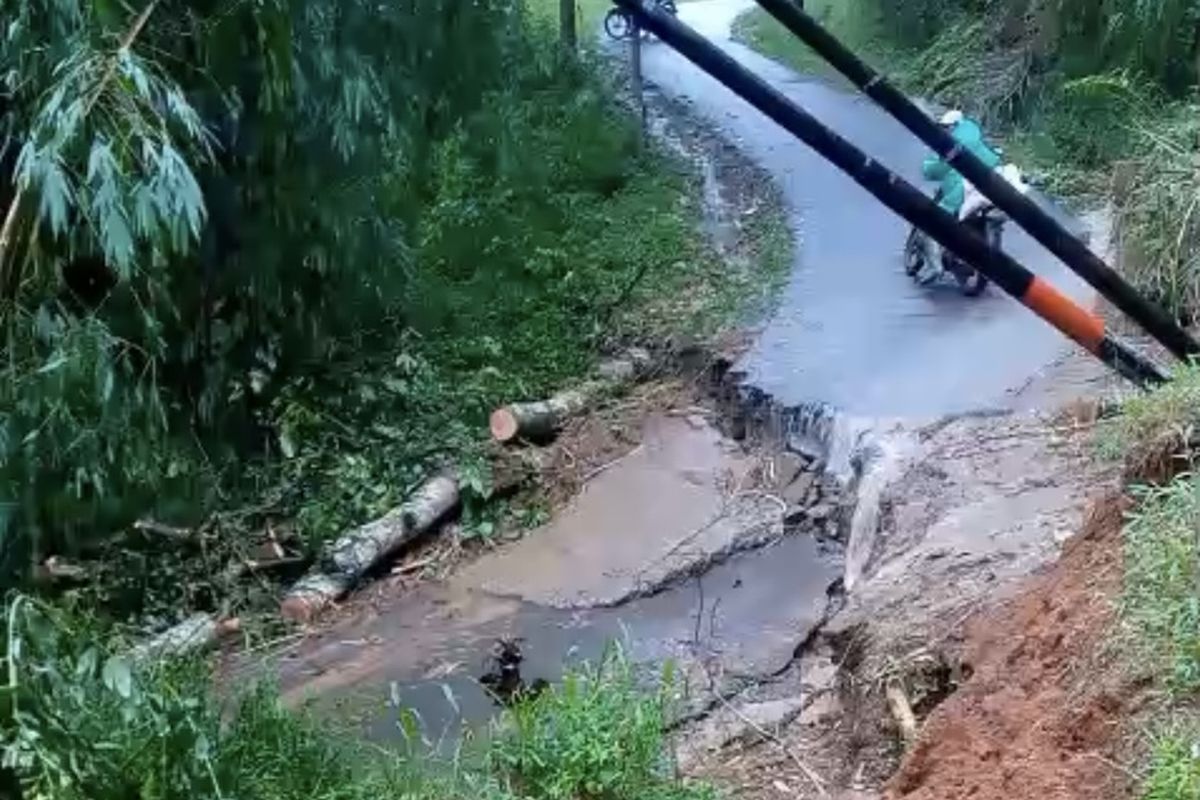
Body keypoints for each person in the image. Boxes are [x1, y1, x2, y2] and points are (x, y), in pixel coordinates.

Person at [916, 109, 1002, 285]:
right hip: (992, 192)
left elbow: (933, 170)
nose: (944, 130)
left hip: (962, 193)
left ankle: (934, 267)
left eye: (946, 127)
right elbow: (995, 156)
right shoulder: (976, 137)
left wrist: (927, 166)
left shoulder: (951, 146)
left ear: (954, 126)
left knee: (928, 226)